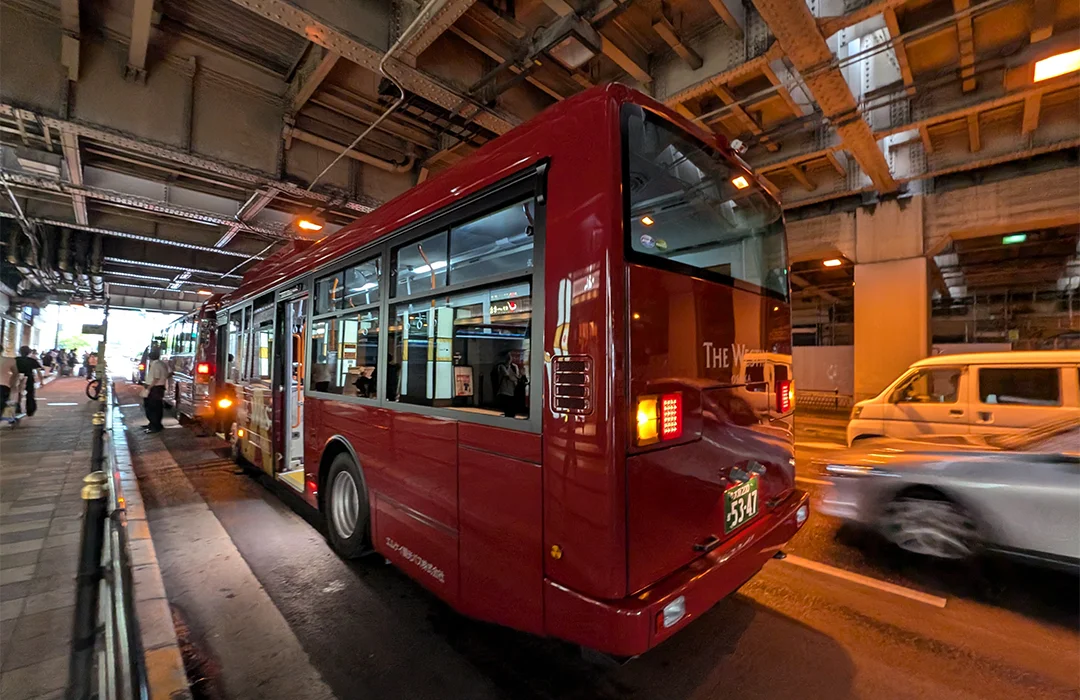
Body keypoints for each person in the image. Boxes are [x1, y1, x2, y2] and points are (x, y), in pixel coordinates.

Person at [143, 348, 169, 433]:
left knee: (152, 408)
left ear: (150, 358)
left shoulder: (155, 365)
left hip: (155, 388)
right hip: (160, 387)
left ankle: (154, 426)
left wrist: (149, 388)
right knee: (158, 407)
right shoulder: (162, 364)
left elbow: (156, 378)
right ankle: (155, 425)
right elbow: (170, 373)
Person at [15, 346, 42, 417]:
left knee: (17, 393)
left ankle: (17, 407)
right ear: (29, 352)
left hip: (17, 377)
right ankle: (30, 409)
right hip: (29, 378)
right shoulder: (32, 360)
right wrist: (41, 381)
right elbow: (38, 371)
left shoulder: (15, 360)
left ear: (19, 352)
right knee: (30, 394)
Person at [494, 351, 521, 417]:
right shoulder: (501, 366)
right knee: (507, 408)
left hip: (513, 390)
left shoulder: (514, 366)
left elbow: (517, 376)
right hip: (504, 391)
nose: (509, 358)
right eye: (508, 357)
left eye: (510, 356)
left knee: (512, 409)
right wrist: (515, 378)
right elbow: (507, 376)